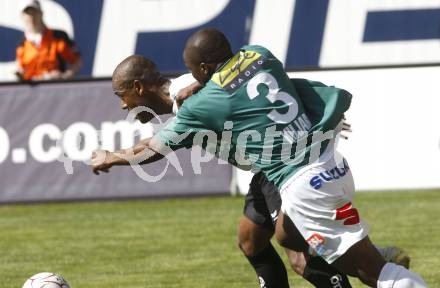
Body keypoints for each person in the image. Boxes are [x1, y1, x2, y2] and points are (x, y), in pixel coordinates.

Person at [92, 55, 410, 288]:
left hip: (281, 169)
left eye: (122, 96)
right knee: (250, 241)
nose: (123, 106)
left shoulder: (189, 98)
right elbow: (256, 85)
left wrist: (112, 156)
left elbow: (156, 147)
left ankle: (379, 267)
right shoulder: (192, 88)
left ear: (137, 87)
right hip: (266, 170)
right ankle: (376, 262)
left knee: (301, 257)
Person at [15, 0, 82, 81]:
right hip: (32, 91)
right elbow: (21, 71)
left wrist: (64, 76)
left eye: (34, 12)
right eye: (27, 13)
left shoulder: (58, 37)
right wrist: (20, 75)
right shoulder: (22, 45)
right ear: (21, 16)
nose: (31, 17)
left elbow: (77, 62)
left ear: (41, 14)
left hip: (55, 89)